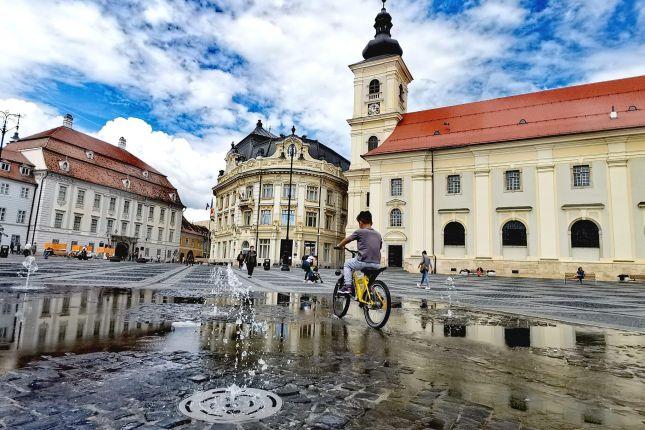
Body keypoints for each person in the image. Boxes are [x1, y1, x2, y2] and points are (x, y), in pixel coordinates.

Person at [335, 211, 382, 295]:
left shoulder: (360, 231)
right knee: (368, 282)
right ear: (371, 222)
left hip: (363, 262)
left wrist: (339, 245)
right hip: (377, 264)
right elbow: (379, 247)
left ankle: (348, 286)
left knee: (347, 264)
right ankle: (370, 294)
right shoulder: (378, 234)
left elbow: (347, 239)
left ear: (360, 222)